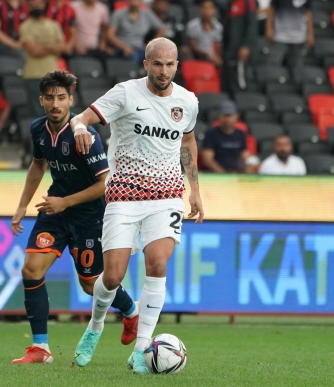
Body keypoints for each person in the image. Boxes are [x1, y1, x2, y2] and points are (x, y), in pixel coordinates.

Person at [70, 37, 204, 374]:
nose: (163, 70)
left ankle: (142, 350)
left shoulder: (187, 101)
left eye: (169, 64)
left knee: (157, 263)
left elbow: (187, 139)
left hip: (167, 195)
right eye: (157, 64)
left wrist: (195, 190)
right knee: (112, 277)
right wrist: (80, 128)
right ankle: (96, 326)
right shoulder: (126, 93)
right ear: (146, 64)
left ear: (177, 65)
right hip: (125, 193)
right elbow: (81, 118)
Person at [10, 70, 139, 364]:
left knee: (91, 284)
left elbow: (104, 184)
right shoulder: (38, 129)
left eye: (62, 98)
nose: (56, 104)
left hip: (89, 217)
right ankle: (40, 349)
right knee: (31, 270)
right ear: (41, 100)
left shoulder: (85, 136)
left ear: (71, 101)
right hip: (56, 212)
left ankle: (131, 312)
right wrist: (22, 205)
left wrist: (65, 202)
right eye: (50, 98)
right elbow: (38, 165)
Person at [21, 0, 68, 117]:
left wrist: (42, 46)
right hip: (33, 76)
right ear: (28, 6)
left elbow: (62, 48)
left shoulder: (54, 25)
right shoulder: (25, 26)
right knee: (37, 115)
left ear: (44, 5)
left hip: (53, 76)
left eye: (39, 3)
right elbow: (34, 51)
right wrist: (53, 47)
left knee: (55, 114)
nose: (36, 6)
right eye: (33, 4)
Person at [200, 100, 251, 173]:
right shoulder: (211, 134)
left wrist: (249, 166)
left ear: (236, 116)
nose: (227, 119)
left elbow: (245, 155)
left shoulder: (240, 134)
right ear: (219, 116)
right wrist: (223, 173)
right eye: (225, 116)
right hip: (215, 175)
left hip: (235, 172)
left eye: (230, 116)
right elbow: (207, 160)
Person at [220, 0, 257, 95]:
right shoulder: (229, 3)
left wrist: (246, 45)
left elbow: (252, 24)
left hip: (239, 49)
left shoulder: (248, 2)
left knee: (239, 82)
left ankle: (242, 104)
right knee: (227, 81)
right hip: (228, 50)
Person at [265, 0, 313, 70]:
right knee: (273, 66)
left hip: (298, 38)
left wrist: (310, 34)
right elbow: (271, 10)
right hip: (280, 37)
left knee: (296, 69)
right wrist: (268, 29)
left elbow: (308, 13)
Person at [186, 0, 223, 66]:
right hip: (198, 57)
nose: (207, 11)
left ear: (214, 10)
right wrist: (207, 55)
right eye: (205, 8)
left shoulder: (219, 27)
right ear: (200, 10)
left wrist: (216, 57)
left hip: (214, 57)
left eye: (210, 8)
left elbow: (218, 46)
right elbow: (193, 47)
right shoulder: (192, 25)